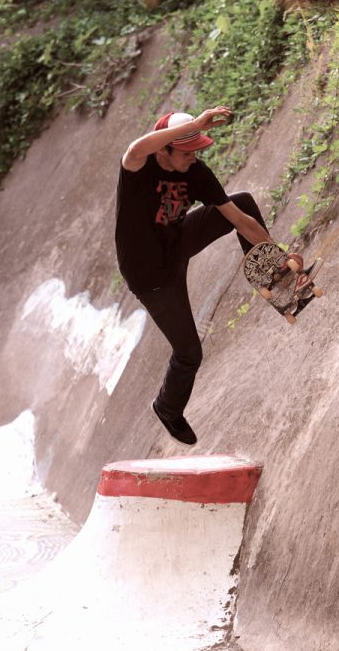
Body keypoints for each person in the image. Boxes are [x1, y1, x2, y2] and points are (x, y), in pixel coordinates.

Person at [115, 106, 290, 445]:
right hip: (151, 276)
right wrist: (194, 124)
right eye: (186, 152)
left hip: (178, 242)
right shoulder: (140, 168)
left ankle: (274, 280)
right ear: (164, 149)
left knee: (243, 202)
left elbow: (241, 221)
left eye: (197, 150)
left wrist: (278, 258)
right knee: (189, 353)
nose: (193, 158)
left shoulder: (197, 174)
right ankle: (167, 407)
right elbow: (135, 149)